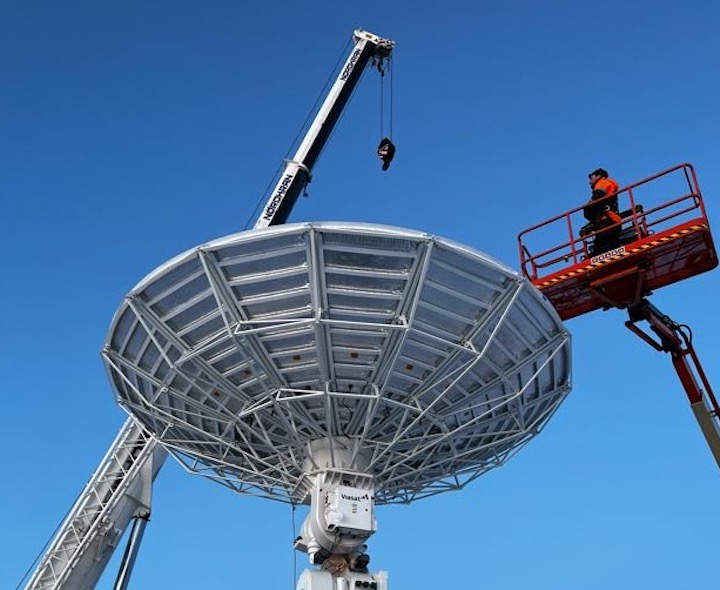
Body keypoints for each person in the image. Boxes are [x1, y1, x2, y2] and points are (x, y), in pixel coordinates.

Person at [581, 168, 622, 255]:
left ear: (599, 176)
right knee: (610, 243)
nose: (589, 182)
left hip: (607, 221)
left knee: (598, 248)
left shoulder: (602, 182)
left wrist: (587, 207)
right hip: (611, 221)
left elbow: (597, 196)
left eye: (591, 178)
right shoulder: (607, 183)